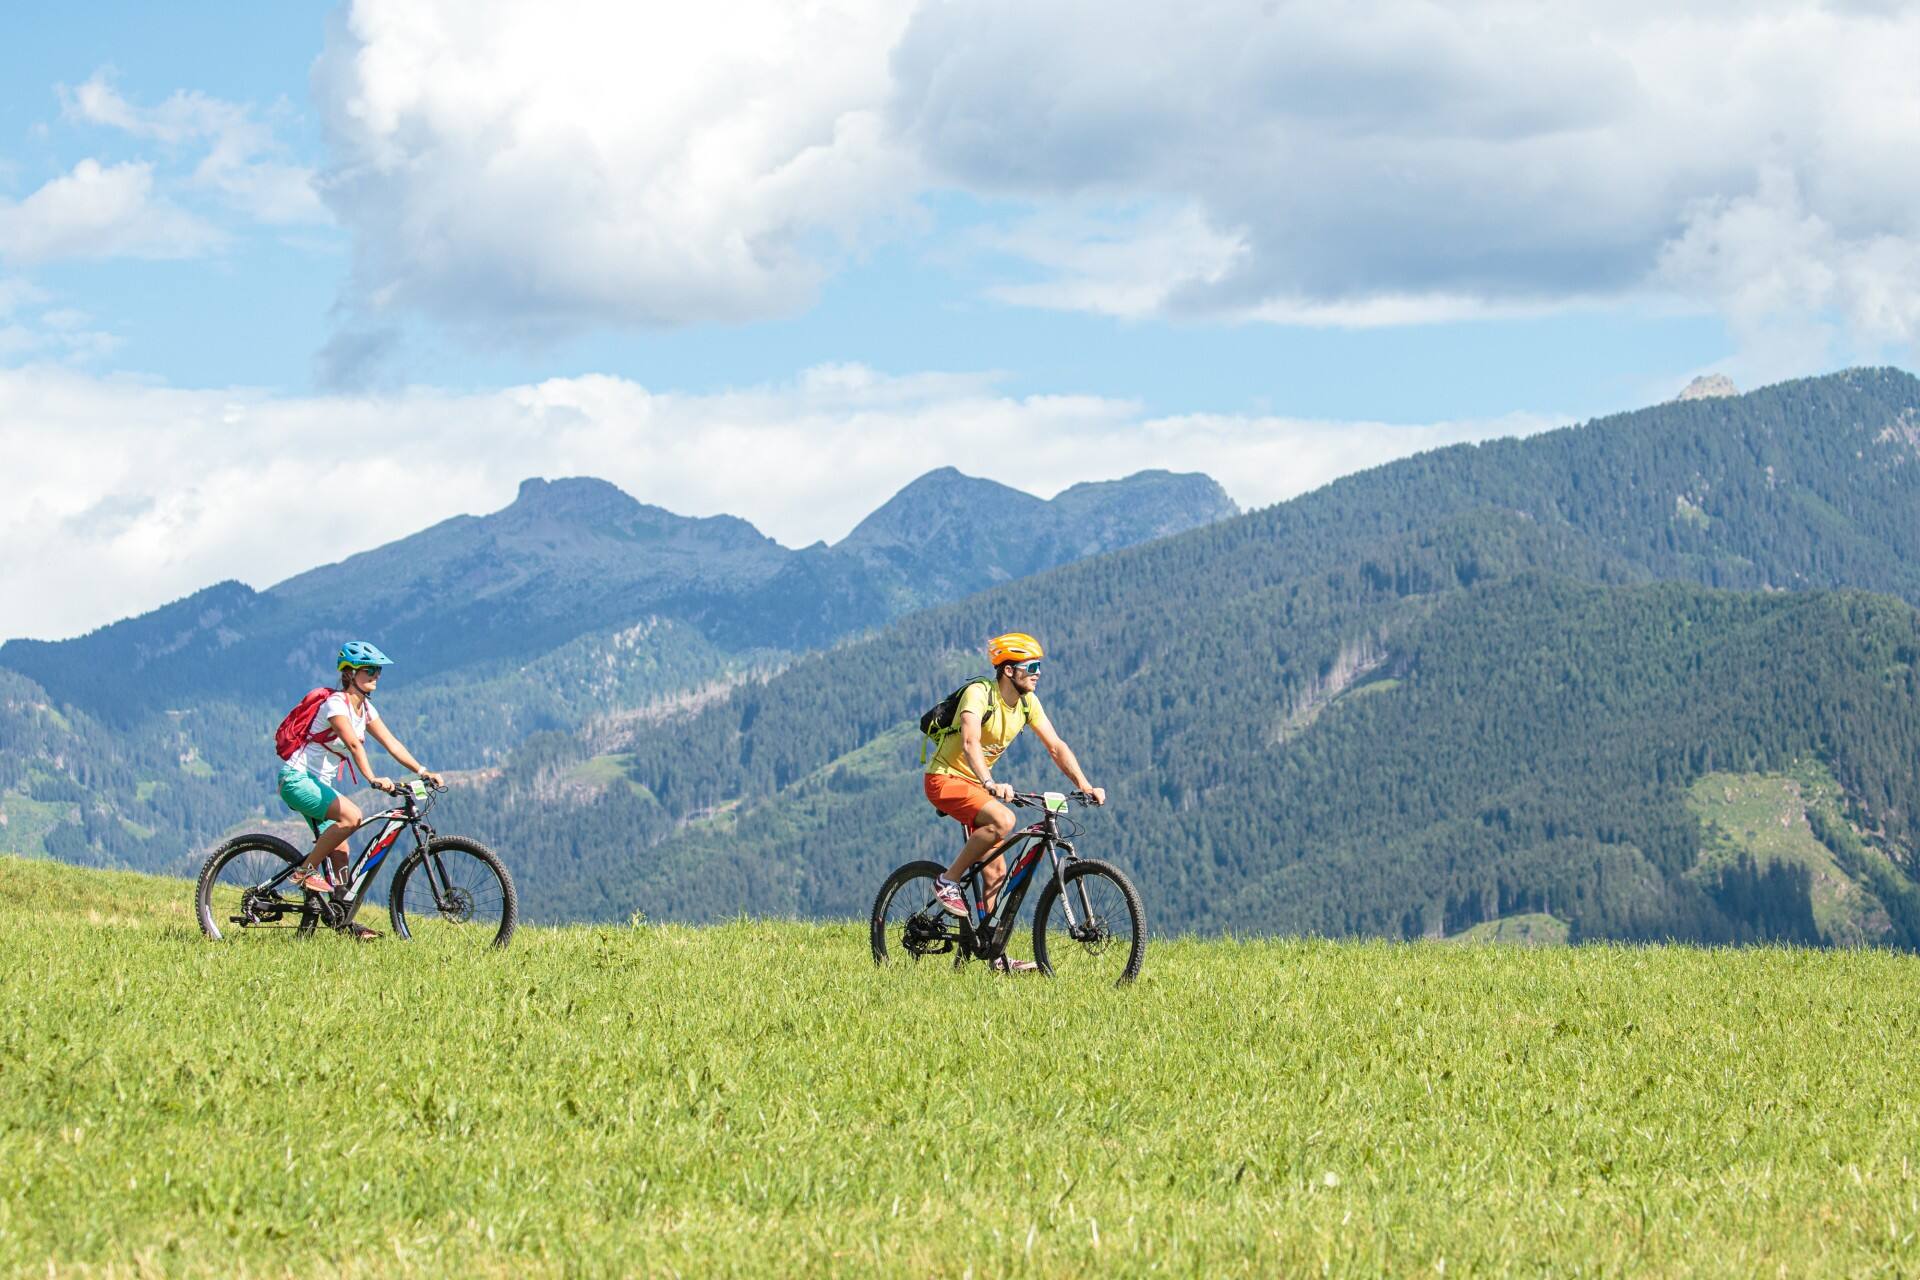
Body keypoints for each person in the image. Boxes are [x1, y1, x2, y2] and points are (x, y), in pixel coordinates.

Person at [922, 632, 1105, 971]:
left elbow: (1056, 746)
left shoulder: (1027, 703)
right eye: (1031, 667)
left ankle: (993, 954)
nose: (1038, 673)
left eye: (1039, 666)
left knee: (996, 871)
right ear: (1008, 670)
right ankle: (947, 881)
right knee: (1004, 820)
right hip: (944, 779)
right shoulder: (980, 694)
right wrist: (990, 783)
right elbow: (970, 742)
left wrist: (1085, 785)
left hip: (977, 787)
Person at [279, 641, 442, 939]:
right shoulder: (336, 704)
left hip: (318, 785)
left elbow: (392, 743)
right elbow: (353, 744)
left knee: (340, 850)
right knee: (352, 817)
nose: (376, 675)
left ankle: (341, 919)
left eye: (378, 670)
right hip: (296, 780)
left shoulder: (365, 708)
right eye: (369, 670)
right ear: (349, 673)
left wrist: (422, 771)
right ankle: (304, 872)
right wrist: (372, 777)